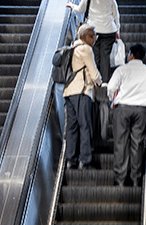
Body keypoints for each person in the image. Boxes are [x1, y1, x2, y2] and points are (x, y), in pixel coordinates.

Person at [106, 44, 146, 187]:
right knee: (137, 144)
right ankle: (136, 179)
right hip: (141, 109)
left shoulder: (122, 69)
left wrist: (113, 99)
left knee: (120, 143)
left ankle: (120, 180)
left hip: (122, 108)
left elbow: (111, 87)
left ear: (130, 55)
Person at [63, 24, 102, 170]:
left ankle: (70, 160)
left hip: (69, 92)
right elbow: (94, 73)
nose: (95, 39)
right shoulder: (86, 49)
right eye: (92, 36)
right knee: (85, 125)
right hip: (82, 91)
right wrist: (100, 82)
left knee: (71, 127)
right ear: (83, 36)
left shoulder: (72, 48)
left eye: (95, 36)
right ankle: (85, 160)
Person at [66, 0, 120, 82]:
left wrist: (72, 5)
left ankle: (96, 80)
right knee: (105, 55)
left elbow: (80, 9)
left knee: (95, 54)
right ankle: (105, 81)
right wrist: (118, 31)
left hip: (93, 30)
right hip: (109, 30)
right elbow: (116, 16)